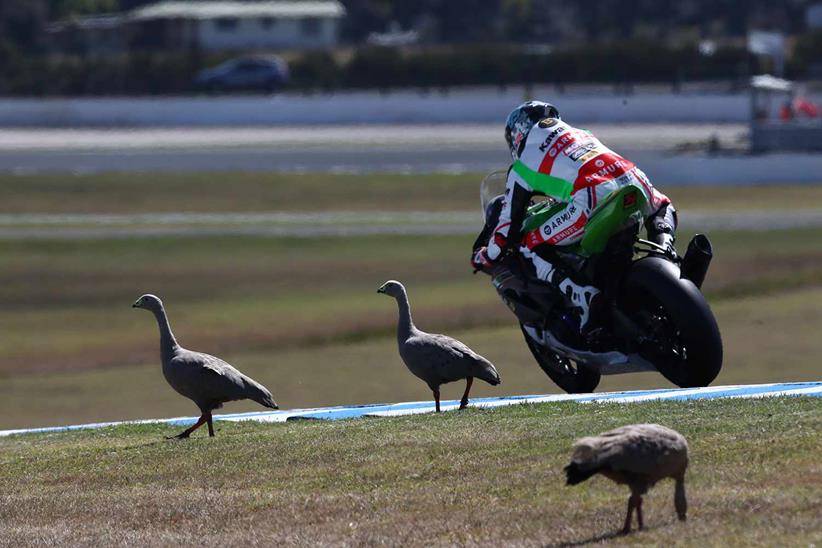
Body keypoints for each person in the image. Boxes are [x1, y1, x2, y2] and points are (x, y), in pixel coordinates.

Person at [472, 101, 677, 338]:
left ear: (517, 135)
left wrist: (488, 254)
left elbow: (507, 227)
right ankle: (666, 251)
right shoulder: (582, 134)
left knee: (529, 245)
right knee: (662, 205)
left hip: (591, 197)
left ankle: (583, 296)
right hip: (633, 178)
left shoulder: (521, 167)